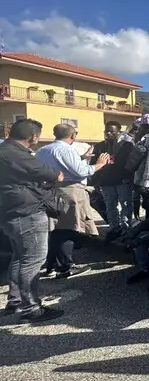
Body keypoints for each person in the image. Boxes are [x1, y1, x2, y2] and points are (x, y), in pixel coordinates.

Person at [0, 119, 64, 322]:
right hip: (26, 211)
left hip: (10, 211)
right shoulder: (16, 153)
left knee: (20, 258)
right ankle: (31, 308)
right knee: (33, 260)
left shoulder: (5, 150)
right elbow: (54, 175)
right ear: (34, 137)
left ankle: (16, 300)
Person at [36, 124, 109, 279]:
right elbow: (80, 171)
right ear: (73, 136)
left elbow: (58, 165)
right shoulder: (66, 150)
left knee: (55, 229)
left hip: (49, 191)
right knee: (68, 229)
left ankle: (51, 265)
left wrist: (82, 158)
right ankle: (64, 267)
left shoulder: (43, 150)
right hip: (69, 191)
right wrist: (99, 164)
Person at [92, 121, 135, 240]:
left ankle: (126, 229)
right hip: (106, 182)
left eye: (112, 131)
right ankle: (114, 228)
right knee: (110, 206)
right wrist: (95, 181)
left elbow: (132, 163)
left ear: (119, 132)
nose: (109, 133)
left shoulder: (127, 146)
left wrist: (130, 179)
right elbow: (94, 164)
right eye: (107, 131)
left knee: (126, 206)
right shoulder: (99, 146)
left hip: (123, 181)